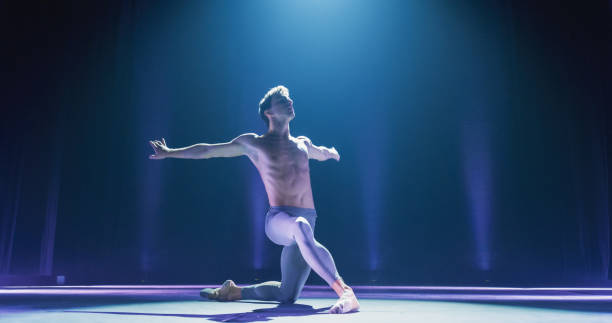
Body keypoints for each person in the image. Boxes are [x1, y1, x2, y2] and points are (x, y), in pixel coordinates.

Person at [148, 85, 360, 314]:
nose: (290, 101)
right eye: (282, 100)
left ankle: (234, 291)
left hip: (307, 222)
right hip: (279, 219)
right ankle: (345, 292)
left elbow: (321, 152)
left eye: (289, 98)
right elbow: (207, 150)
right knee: (300, 226)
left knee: (286, 294)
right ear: (268, 112)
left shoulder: (302, 143)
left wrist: (331, 152)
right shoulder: (254, 144)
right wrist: (169, 152)